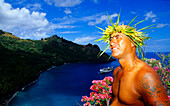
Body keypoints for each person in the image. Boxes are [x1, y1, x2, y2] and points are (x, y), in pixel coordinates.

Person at [96, 14, 169, 105]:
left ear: (132, 43)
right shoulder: (117, 71)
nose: (112, 43)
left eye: (118, 38)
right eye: (111, 39)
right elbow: (115, 101)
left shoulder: (145, 76)